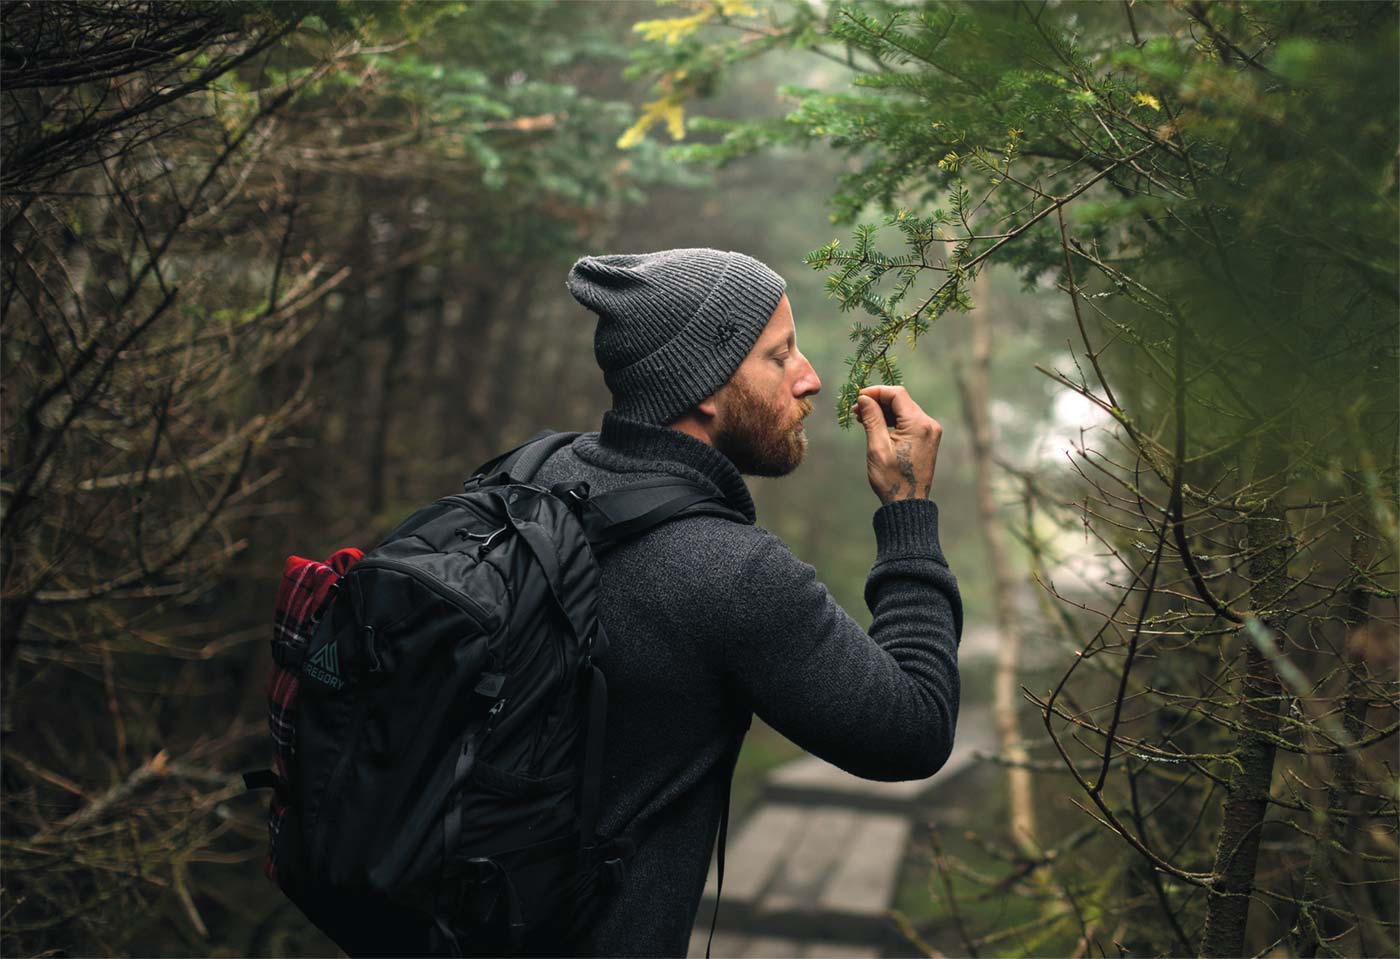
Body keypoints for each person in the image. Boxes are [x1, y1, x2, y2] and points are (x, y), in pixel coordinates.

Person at [534, 247, 962, 957]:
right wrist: (909, 511)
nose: (812, 379)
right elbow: (913, 730)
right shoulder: (730, 573)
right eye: (780, 356)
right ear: (702, 384)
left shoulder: (537, 472)